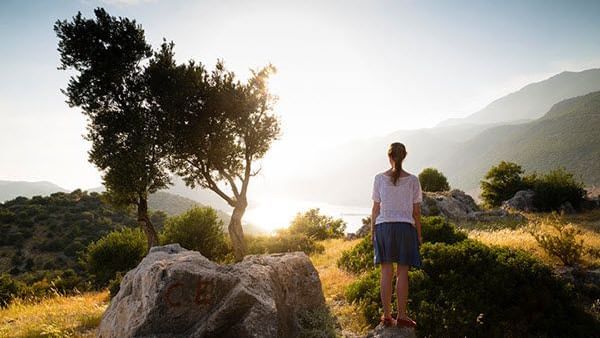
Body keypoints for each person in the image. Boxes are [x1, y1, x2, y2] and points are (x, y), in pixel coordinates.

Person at [371, 142, 423, 328]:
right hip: (405, 228)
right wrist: (418, 234)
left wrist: (372, 232)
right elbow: (416, 212)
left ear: (389, 156)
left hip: (383, 228)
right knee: (402, 273)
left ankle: (386, 316)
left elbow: (376, 208)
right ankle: (401, 315)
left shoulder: (379, 178)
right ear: (405, 156)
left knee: (386, 272)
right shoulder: (413, 180)